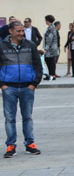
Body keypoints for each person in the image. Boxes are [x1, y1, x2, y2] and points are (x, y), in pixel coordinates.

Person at [1, 21, 43, 158]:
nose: (21, 33)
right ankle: (11, 145)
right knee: (9, 118)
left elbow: (38, 64)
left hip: (27, 87)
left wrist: (34, 83)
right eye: (18, 31)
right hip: (9, 87)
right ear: (10, 31)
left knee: (28, 117)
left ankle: (30, 144)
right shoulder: (2, 46)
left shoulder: (30, 45)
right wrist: (2, 84)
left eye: (22, 31)